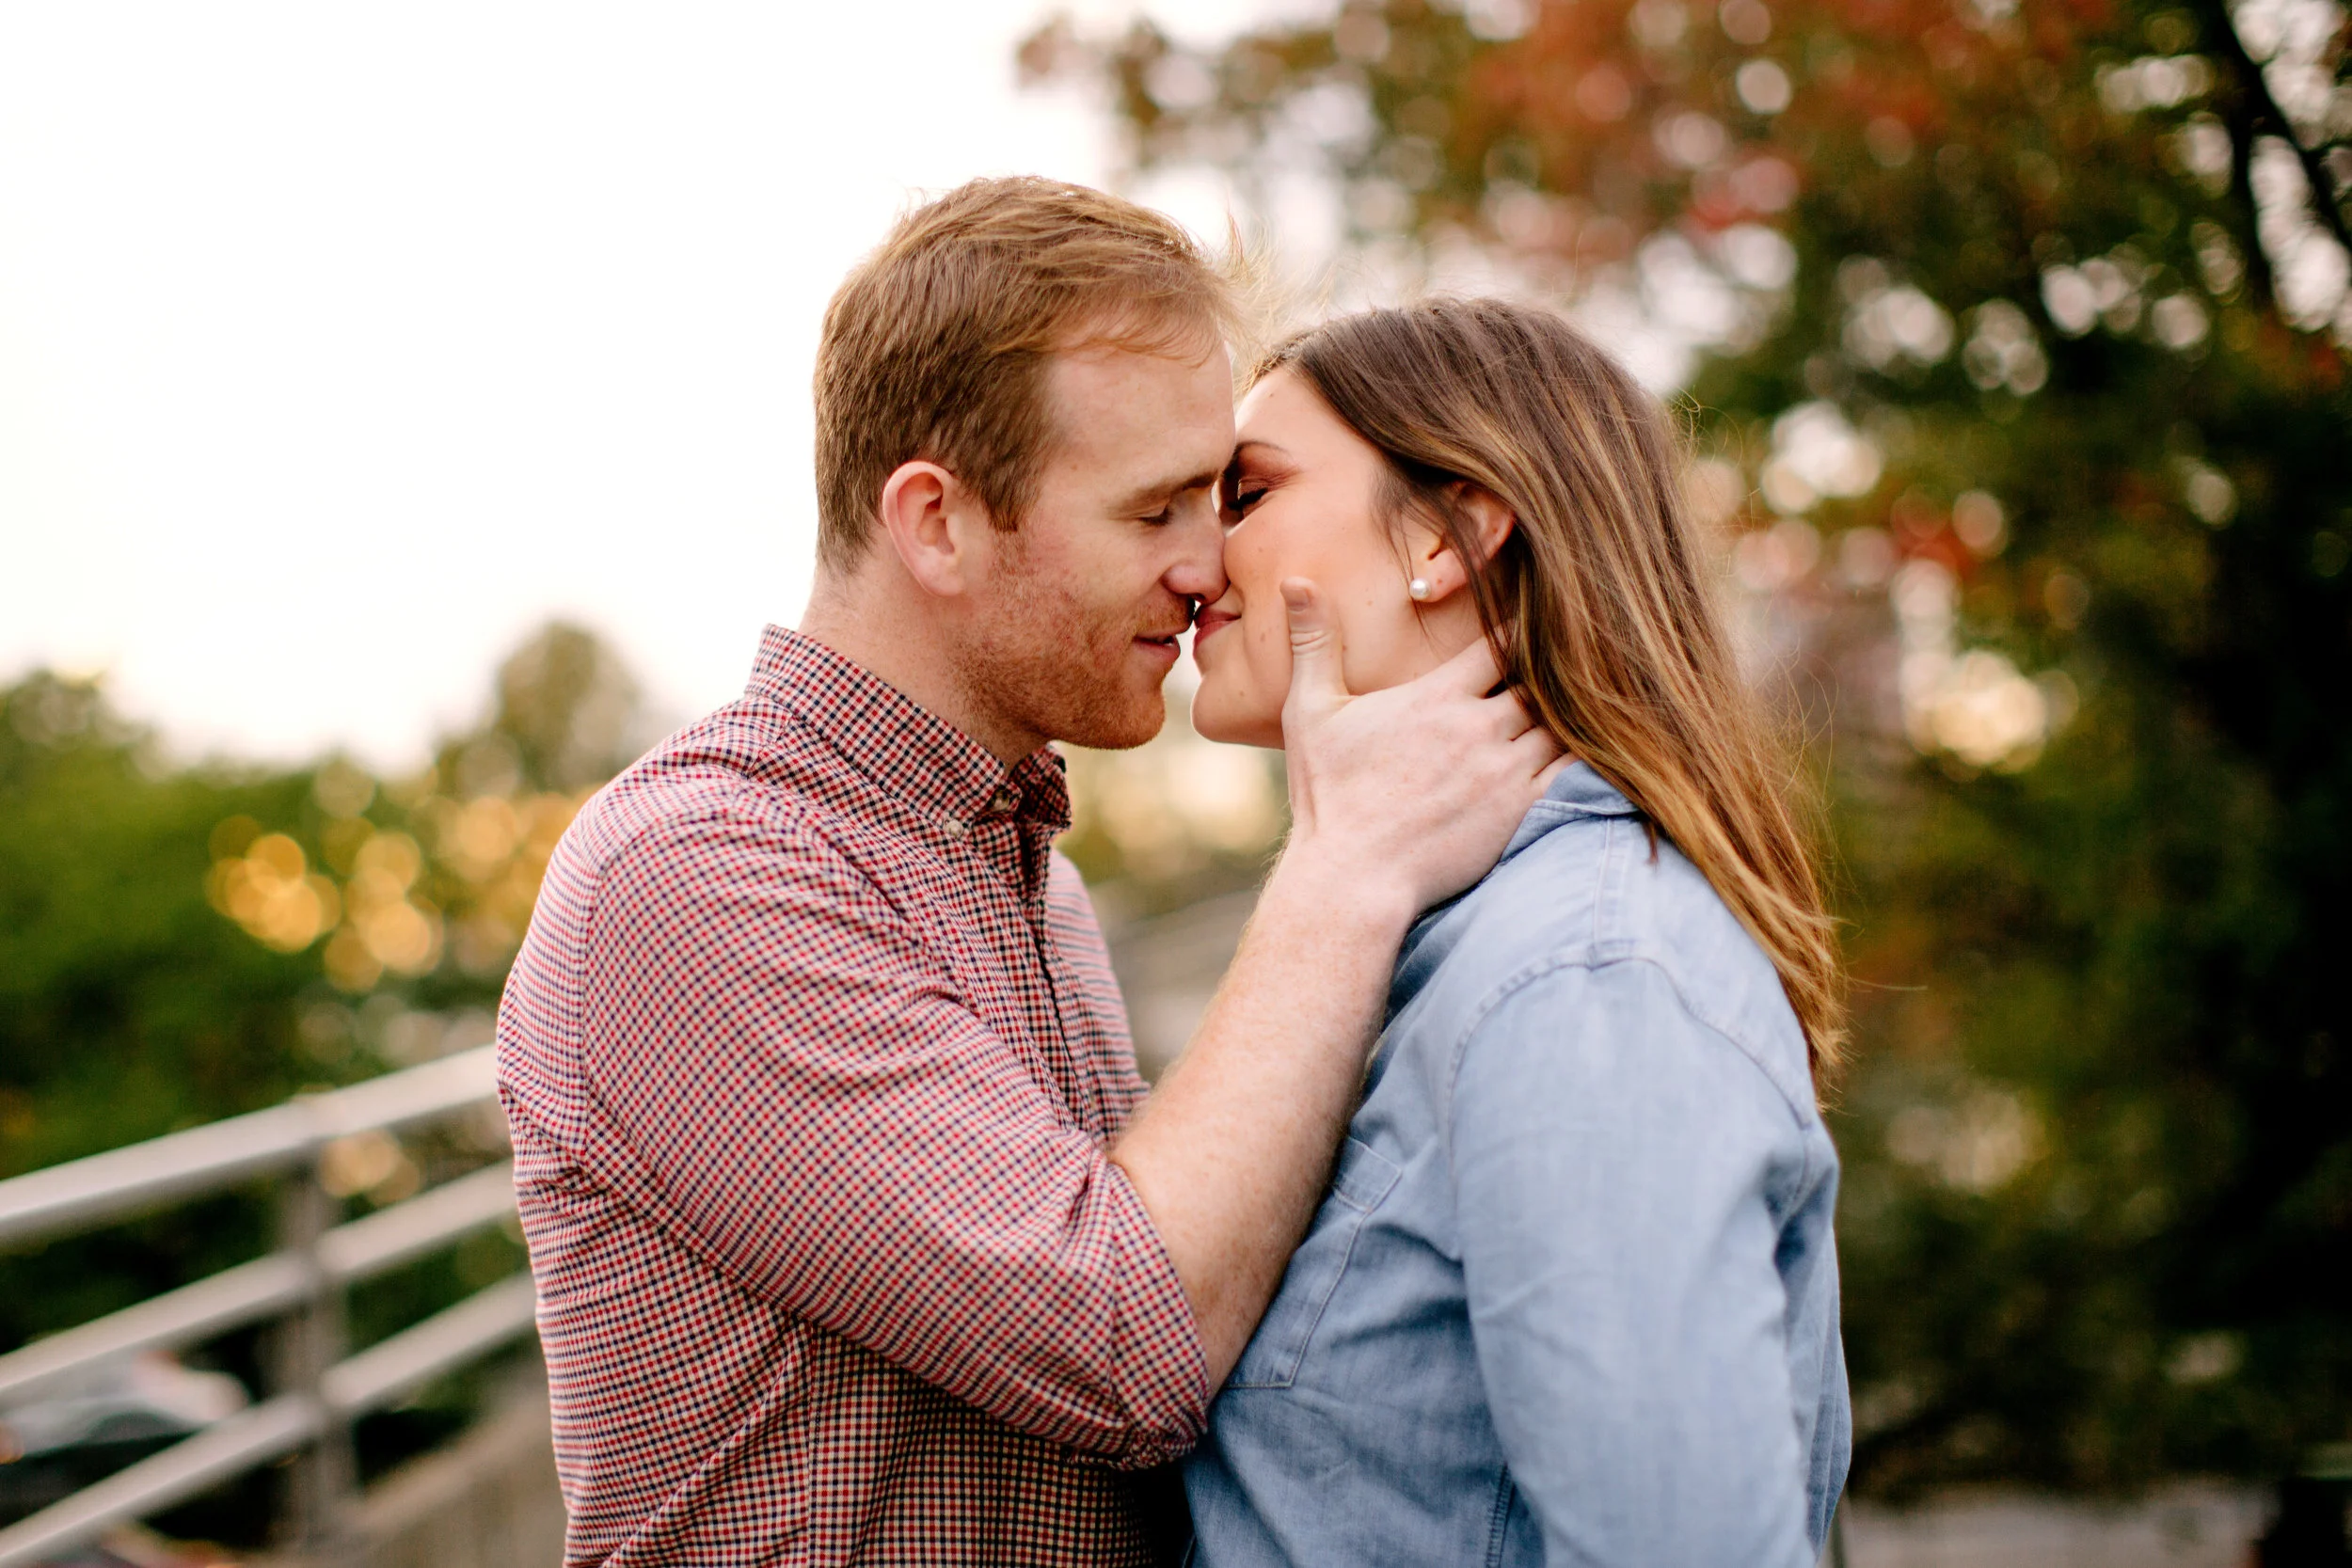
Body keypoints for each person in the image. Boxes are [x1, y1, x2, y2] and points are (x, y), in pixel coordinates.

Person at [495, 180, 1562, 1567]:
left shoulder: (1028, 877)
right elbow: (1126, 1344)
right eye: (1157, 509)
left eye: (1222, 496)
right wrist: (1347, 861)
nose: (1208, 566)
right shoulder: (698, 873)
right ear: (936, 521)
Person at [1184, 297, 1852, 1567]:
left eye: (1245, 491)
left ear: (1453, 534)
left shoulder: (1585, 979)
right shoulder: (1427, 953)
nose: (1194, 552)